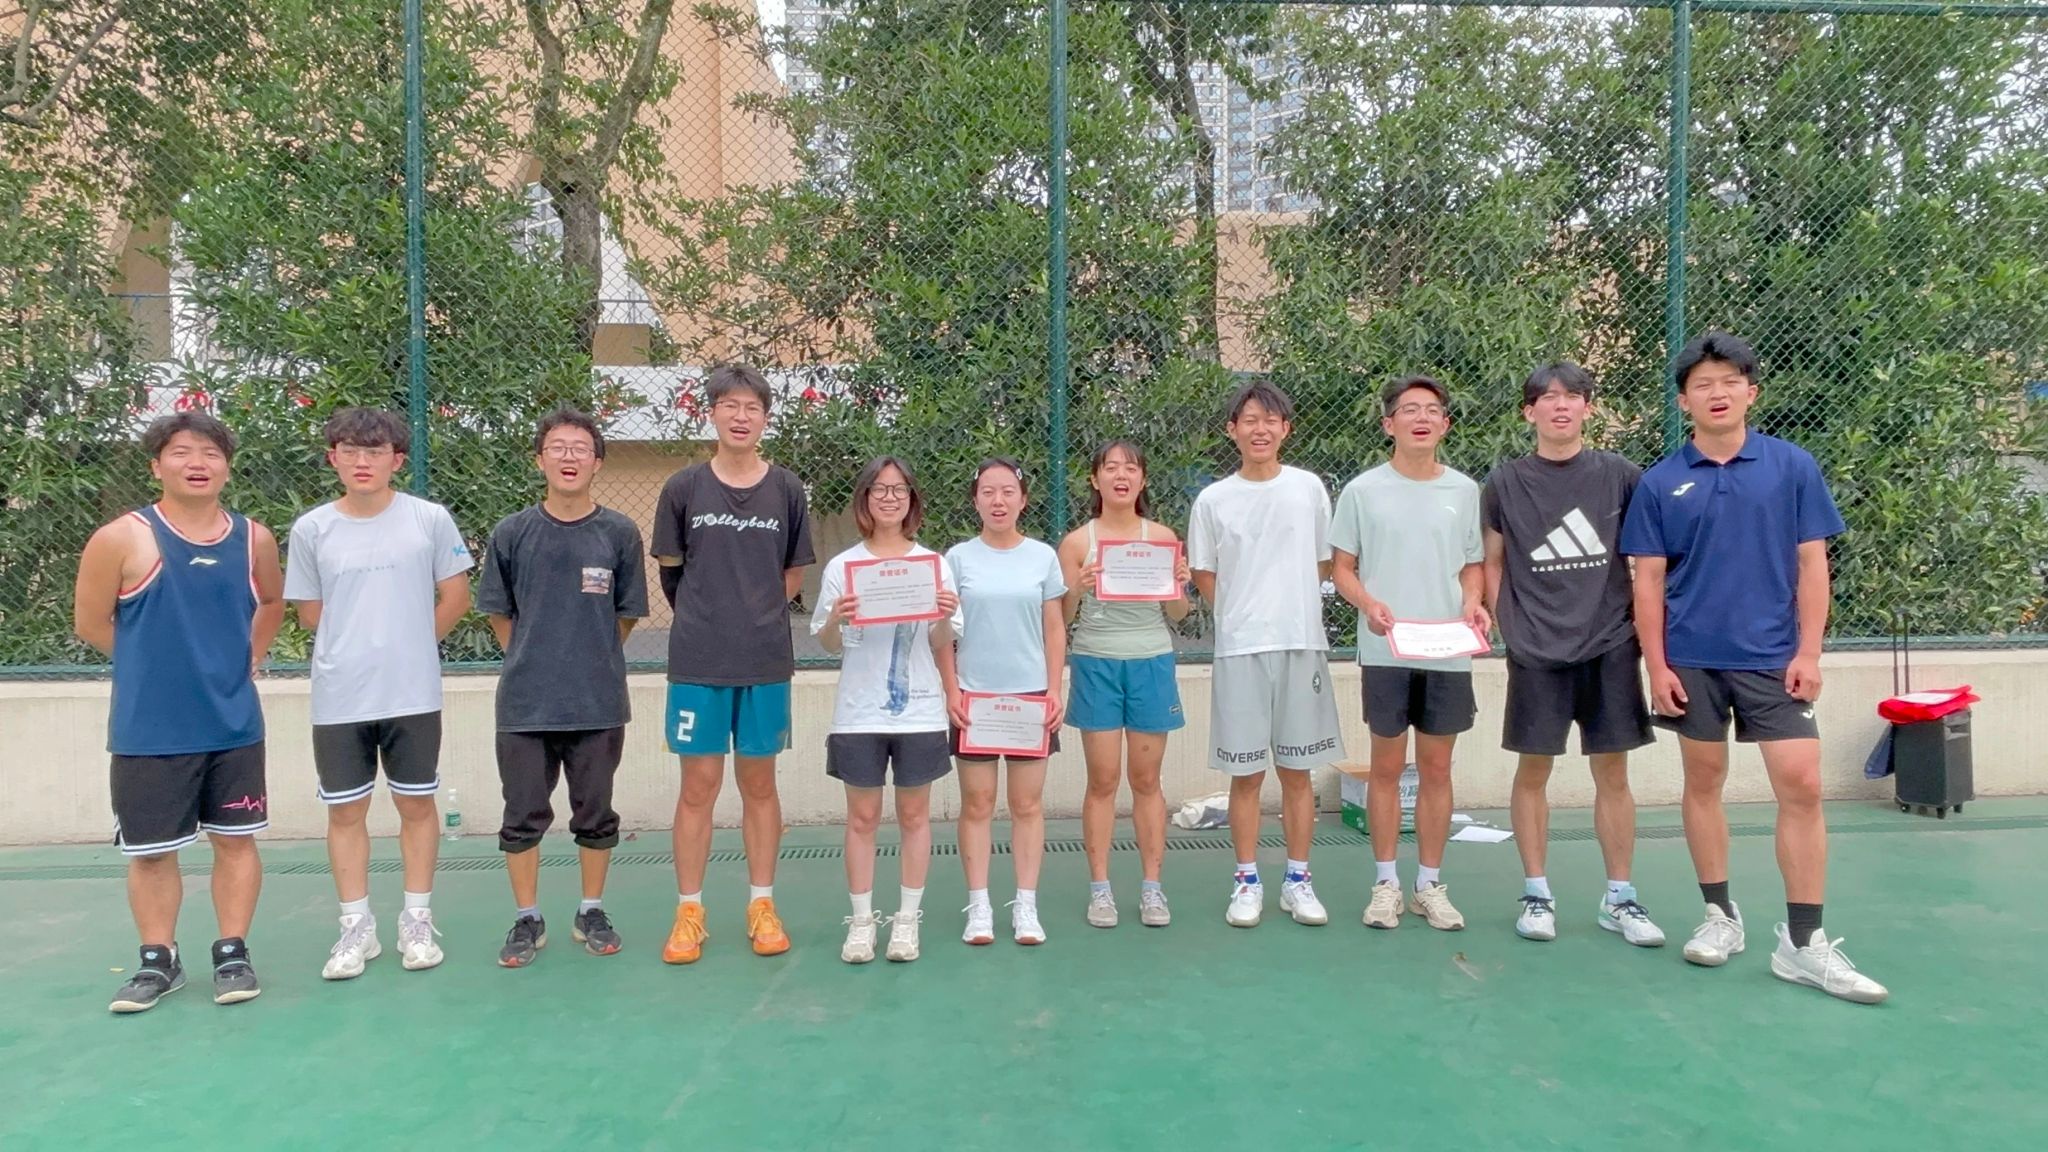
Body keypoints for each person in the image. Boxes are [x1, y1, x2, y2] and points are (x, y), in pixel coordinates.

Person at [1620, 330, 1887, 1004]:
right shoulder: (1661, 482)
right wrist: (1657, 666)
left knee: (1802, 784)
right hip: (1692, 661)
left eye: (1730, 382)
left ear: (1751, 392)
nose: (1717, 393)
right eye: (1703, 385)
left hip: (1774, 660)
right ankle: (1720, 916)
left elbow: (1812, 565)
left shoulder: (1792, 467)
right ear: (1683, 401)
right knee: (1703, 781)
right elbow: (1647, 582)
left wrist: (1809, 651)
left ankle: (1804, 944)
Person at [74, 412, 285, 1012]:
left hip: (232, 725)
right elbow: (90, 623)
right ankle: (157, 961)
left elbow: (272, 602)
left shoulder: (255, 539)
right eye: (182, 451)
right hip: (149, 729)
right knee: (151, 852)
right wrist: (153, 667)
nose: (197, 463)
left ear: (227, 468)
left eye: (211, 453)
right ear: (156, 466)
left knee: (236, 843)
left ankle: (232, 953)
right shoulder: (121, 538)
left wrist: (247, 659)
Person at [284, 408, 473, 981]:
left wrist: (409, 645)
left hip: (413, 695)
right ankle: (355, 927)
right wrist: (357, 647)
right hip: (340, 696)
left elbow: (456, 598)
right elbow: (311, 612)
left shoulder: (429, 519)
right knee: (346, 811)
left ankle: (416, 920)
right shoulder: (312, 529)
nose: (362, 461)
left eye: (375, 451)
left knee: (416, 806)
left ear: (397, 459)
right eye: (350, 450)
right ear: (332, 458)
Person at [1481, 364, 1662, 946]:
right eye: (1548, 397)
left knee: (1613, 772)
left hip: (1609, 645)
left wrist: (1641, 628)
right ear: (1528, 411)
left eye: (1572, 396)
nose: (1560, 406)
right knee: (1533, 771)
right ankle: (1537, 894)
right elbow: (1492, 562)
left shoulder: (1621, 476)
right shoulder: (1505, 482)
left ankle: (1621, 899)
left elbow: (1647, 560)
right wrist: (1507, 623)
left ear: (1588, 407)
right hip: (1535, 650)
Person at [652, 364, 815, 964]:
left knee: (759, 784)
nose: (741, 417)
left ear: (765, 418)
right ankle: (689, 911)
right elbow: (672, 574)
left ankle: (762, 904)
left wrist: (755, 616)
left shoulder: (787, 489)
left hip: (765, 661)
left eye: (752, 408)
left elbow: (792, 574)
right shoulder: (683, 488)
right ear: (712, 412)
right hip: (698, 661)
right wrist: (711, 617)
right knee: (698, 786)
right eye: (730, 406)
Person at [476, 409, 647, 967]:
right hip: (525, 705)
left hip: (598, 701)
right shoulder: (511, 533)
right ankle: (527, 918)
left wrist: (588, 656)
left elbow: (625, 615)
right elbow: (500, 615)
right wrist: (534, 658)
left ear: (597, 463)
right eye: (558, 447)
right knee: (522, 815)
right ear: (539, 459)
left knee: (595, 814)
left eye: (580, 448)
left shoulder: (619, 533)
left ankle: (590, 910)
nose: (569, 456)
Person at [1331, 375, 1487, 932]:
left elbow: (1473, 564)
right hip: (1386, 650)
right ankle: (1386, 885)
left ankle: (1428, 885)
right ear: (1388, 424)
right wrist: (1369, 604)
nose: (1421, 418)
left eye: (1432, 410)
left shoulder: (1465, 491)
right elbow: (1341, 568)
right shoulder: (1362, 491)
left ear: (1445, 424)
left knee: (1438, 768)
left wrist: (1473, 602)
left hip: (1448, 651)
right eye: (1409, 409)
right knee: (1386, 768)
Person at [1188, 379, 1342, 929]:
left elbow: (1324, 561)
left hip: (1302, 644)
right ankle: (1247, 881)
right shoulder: (1213, 500)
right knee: (1246, 776)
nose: (1260, 429)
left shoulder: (1308, 488)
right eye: (1249, 420)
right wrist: (1239, 615)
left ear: (1286, 429)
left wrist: (1288, 606)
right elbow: (1203, 572)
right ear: (1232, 430)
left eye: (1270, 420)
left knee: (1298, 773)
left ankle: (1298, 881)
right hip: (1240, 651)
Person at [812, 457, 962, 963]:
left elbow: (942, 640)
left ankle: (907, 920)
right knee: (862, 818)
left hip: (919, 713)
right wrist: (836, 618)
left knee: (915, 816)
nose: (889, 498)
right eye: (879, 489)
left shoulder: (933, 564)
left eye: (899, 489)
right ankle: (861, 922)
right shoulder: (843, 567)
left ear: (911, 499)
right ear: (865, 499)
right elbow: (830, 644)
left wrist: (944, 615)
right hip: (859, 714)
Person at [1058, 440, 1192, 929]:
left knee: (1147, 781)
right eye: (1110, 468)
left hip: (1151, 661)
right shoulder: (1077, 543)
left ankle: (1152, 888)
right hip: (1096, 662)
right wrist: (1078, 588)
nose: (1121, 475)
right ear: (1094, 480)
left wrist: (1178, 583)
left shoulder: (1161, 536)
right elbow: (1061, 618)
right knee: (1103, 781)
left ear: (1142, 479)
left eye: (1130, 468)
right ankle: (1100, 890)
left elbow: (1179, 613)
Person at [945, 458, 1066, 946]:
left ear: (1023, 499)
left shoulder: (1043, 557)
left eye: (1008, 492)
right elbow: (943, 632)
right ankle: (979, 907)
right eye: (988, 492)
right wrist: (952, 690)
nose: (998, 501)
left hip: (1030, 698)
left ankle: (1026, 906)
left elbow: (1054, 627)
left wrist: (1054, 688)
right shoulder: (957, 559)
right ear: (975, 500)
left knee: (1026, 804)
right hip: (974, 700)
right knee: (977, 803)